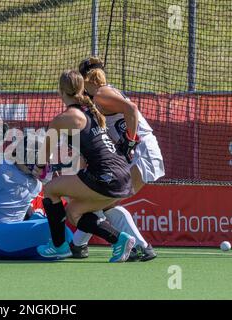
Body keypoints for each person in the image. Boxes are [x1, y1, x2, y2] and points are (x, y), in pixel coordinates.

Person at [33, 69, 136, 262]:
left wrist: (39, 169)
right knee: (74, 211)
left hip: (107, 177)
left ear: (61, 92)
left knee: (50, 189)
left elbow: (44, 156)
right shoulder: (92, 112)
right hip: (122, 176)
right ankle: (120, 240)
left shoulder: (63, 119)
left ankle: (59, 246)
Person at [70, 57, 165, 261]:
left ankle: (142, 247)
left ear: (87, 79)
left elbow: (131, 109)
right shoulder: (100, 96)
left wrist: (130, 141)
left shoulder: (102, 93)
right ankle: (78, 245)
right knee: (104, 201)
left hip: (142, 152)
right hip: (138, 153)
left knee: (106, 200)